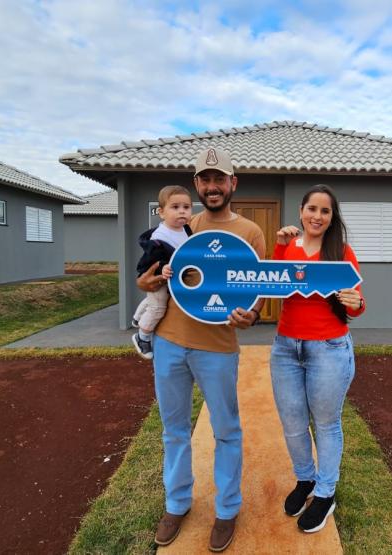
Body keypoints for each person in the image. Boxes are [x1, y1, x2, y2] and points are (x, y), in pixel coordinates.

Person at [136, 147, 265, 552]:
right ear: (197, 185)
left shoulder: (249, 232)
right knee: (174, 431)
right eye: (205, 180)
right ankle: (177, 503)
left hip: (218, 348)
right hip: (170, 342)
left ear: (232, 183)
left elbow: (257, 288)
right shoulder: (180, 225)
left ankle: (226, 510)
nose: (212, 186)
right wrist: (147, 282)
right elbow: (151, 275)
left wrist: (254, 314)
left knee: (226, 431)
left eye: (219, 179)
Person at [270, 184, 365, 533]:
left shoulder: (341, 251)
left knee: (326, 424)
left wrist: (357, 303)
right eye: (312, 209)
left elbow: (356, 302)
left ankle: (326, 492)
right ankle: (305, 480)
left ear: (331, 217)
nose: (317, 216)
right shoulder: (287, 246)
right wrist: (280, 245)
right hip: (285, 348)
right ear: (301, 211)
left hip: (328, 348)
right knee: (293, 424)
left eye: (325, 211)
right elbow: (275, 284)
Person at [131, 185, 193, 360]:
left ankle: (137, 318)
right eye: (175, 207)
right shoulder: (160, 236)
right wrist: (162, 267)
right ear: (161, 212)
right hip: (159, 276)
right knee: (158, 307)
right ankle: (142, 336)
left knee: (154, 300)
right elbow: (151, 259)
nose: (182, 212)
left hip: (172, 277)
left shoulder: (186, 230)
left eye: (186, 207)